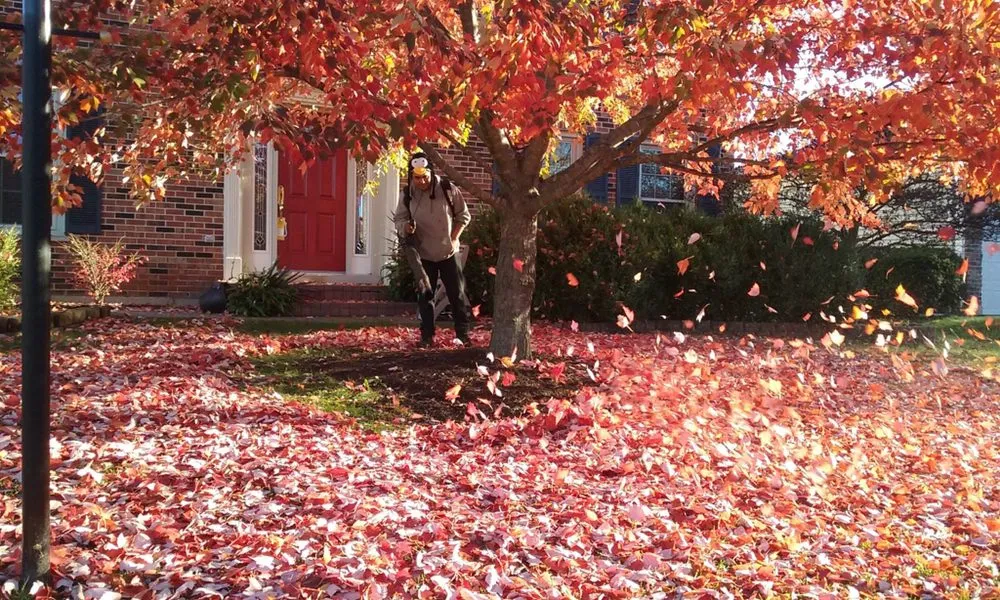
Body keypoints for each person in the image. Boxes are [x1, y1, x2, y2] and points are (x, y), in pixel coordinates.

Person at [393, 151, 472, 347]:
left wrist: (453, 238)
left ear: (431, 173)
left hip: (448, 253)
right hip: (424, 255)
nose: (421, 182)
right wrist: (406, 227)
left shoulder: (447, 189)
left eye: (424, 177)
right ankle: (427, 337)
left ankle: (463, 335)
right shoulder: (407, 194)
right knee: (425, 296)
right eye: (417, 178)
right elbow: (399, 219)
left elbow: (464, 215)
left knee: (457, 295)